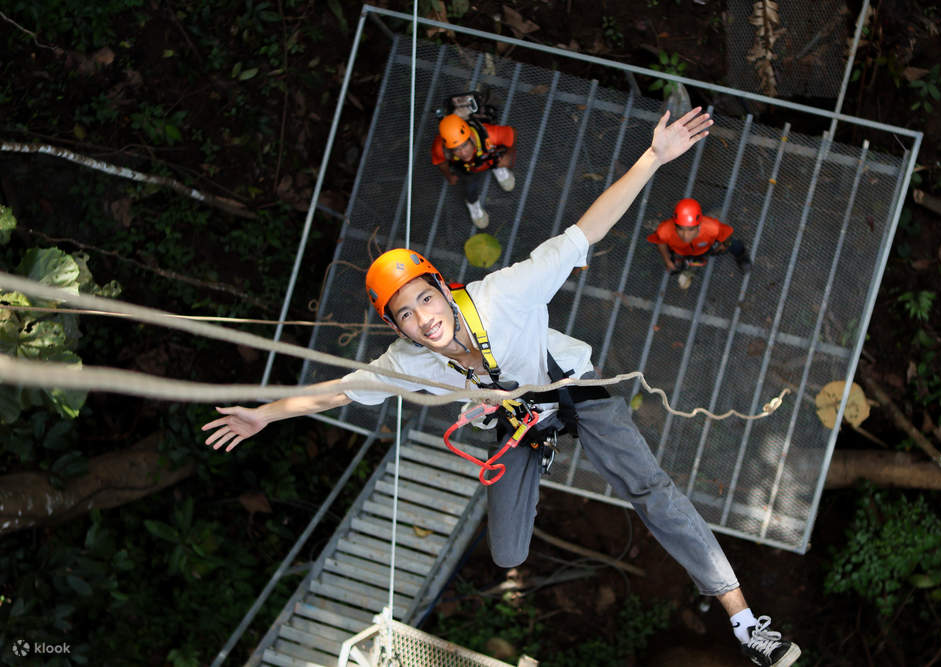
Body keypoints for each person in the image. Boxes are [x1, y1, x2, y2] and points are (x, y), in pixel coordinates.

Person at [202, 108, 799, 667]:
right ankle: (542, 449)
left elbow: (585, 231)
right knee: (508, 552)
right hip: (515, 421)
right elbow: (336, 392)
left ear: (444, 288)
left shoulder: (505, 295)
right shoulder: (407, 361)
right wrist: (265, 415)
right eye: (405, 314)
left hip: (568, 387)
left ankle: (745, 623)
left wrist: (653, 157)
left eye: (425, 299)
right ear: (395, 327)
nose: (423, 319)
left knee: (650, 488)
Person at [431, 113, 517, 229]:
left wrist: (509, 156)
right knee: (470, 189)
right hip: (466, 170)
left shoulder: (490, 134)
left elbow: (511, 133)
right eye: (456, 149)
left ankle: (498, 169)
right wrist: (449, 176)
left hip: (489, 157)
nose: (463, 153)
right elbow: (441, 162)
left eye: (464, 145)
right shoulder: (440, 148)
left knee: (495, 156)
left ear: (470, 137)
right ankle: (473, 204)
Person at [648, 198, 752, 287]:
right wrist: (667, 259)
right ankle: (690, 268)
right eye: (680, 229)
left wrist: (724, 244)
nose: (685, 236)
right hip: (690, 251)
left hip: (711, 245)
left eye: (691, 229)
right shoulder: (666, 230)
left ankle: (741, 255)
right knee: (688, 259)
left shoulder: (712, 228)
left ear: (698, 225)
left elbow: (726, 235)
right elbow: (661, 241)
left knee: (733, 245)